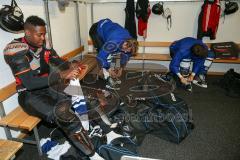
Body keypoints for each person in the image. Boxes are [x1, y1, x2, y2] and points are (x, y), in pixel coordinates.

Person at [3, 15, 96, 157]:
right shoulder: (15, 49)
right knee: (63, 114)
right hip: (29, 95)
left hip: (49, 86)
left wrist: (71, 65)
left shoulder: (44, 45)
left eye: (44, 34)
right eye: (39, 34)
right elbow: (30, 83)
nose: (43, 38)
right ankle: (91, 154)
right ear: (27, 33)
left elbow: (57, 60)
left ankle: (87, 132)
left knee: (81, 97)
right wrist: (62, 75)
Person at [89, 18, 138, 89]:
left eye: (128, 50)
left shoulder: (130, 42)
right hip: (96, 31)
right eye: (126, 49)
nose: (126, 51)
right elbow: (100, 57)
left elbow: (125, 55)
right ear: (125, 43)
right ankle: (106, 78)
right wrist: (108, 68)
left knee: (117, 54)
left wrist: (120, 67)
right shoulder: (113, 43)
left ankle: (112, 73)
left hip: (108, 30)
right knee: (104, 55)